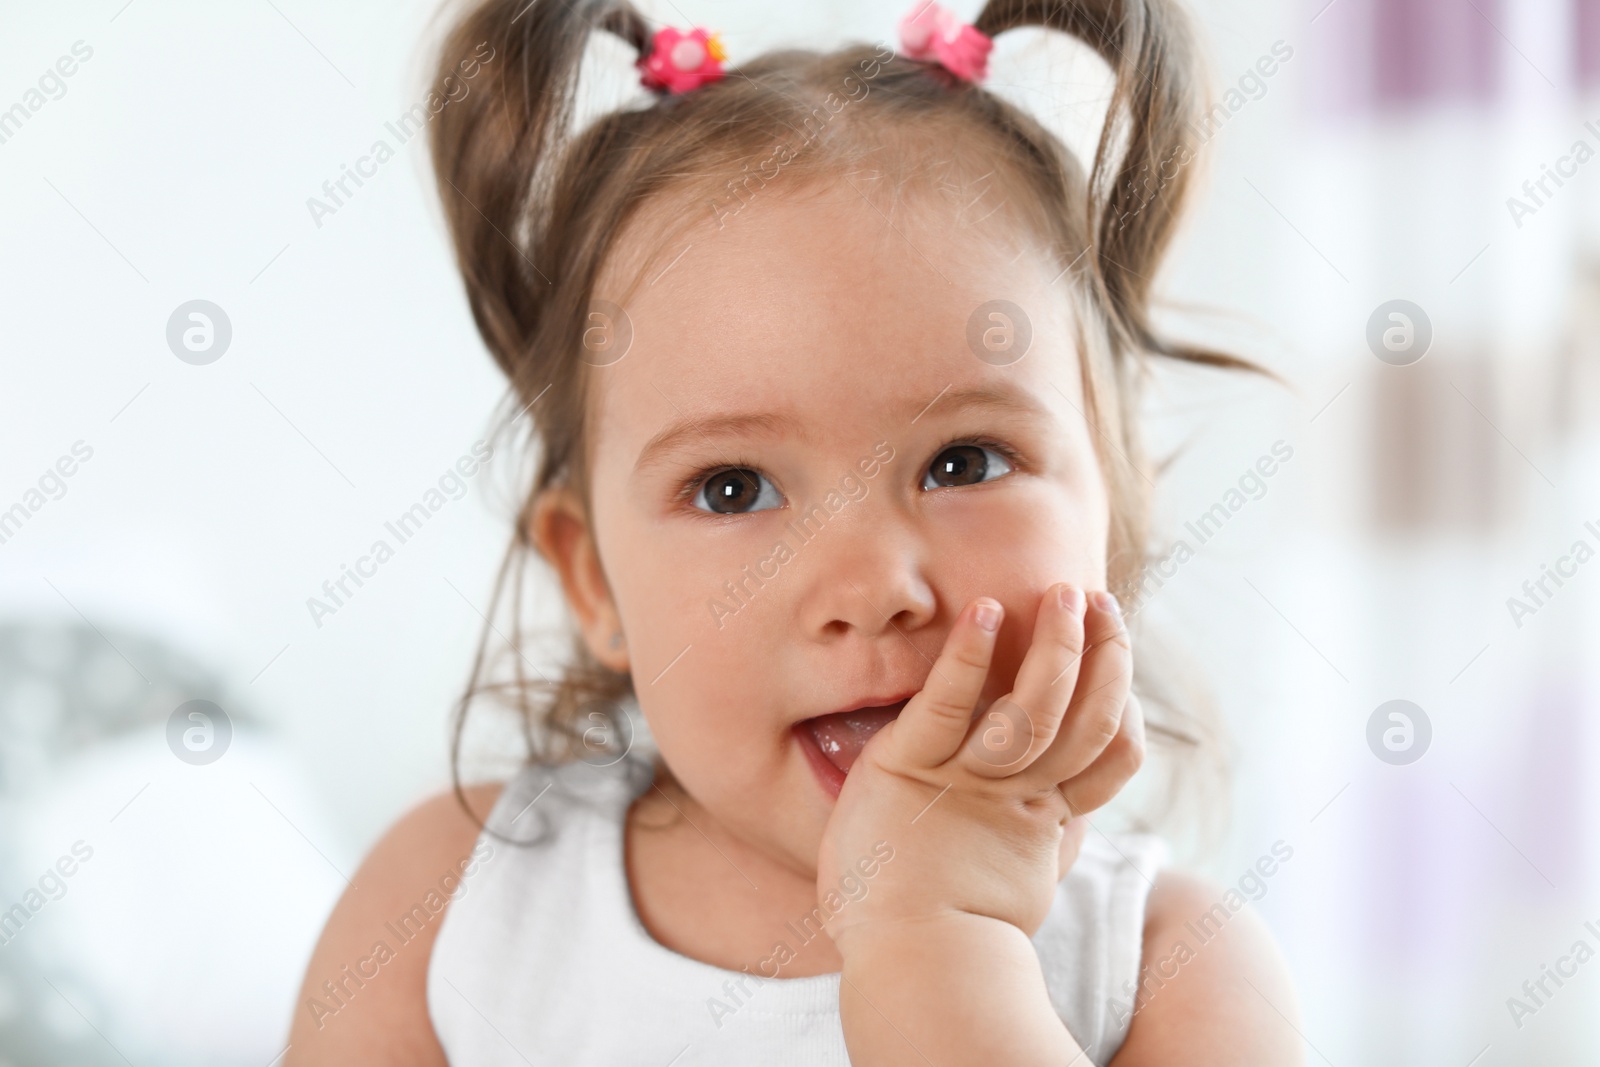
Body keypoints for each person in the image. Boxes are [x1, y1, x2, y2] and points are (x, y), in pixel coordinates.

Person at [286, 0, 1301, 1062]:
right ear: (592, 581)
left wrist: (937, 943)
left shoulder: (1176, 967)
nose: (871, 587)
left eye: (965, 462)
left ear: (1116, 514)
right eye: (732, 487)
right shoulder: (450, 909)